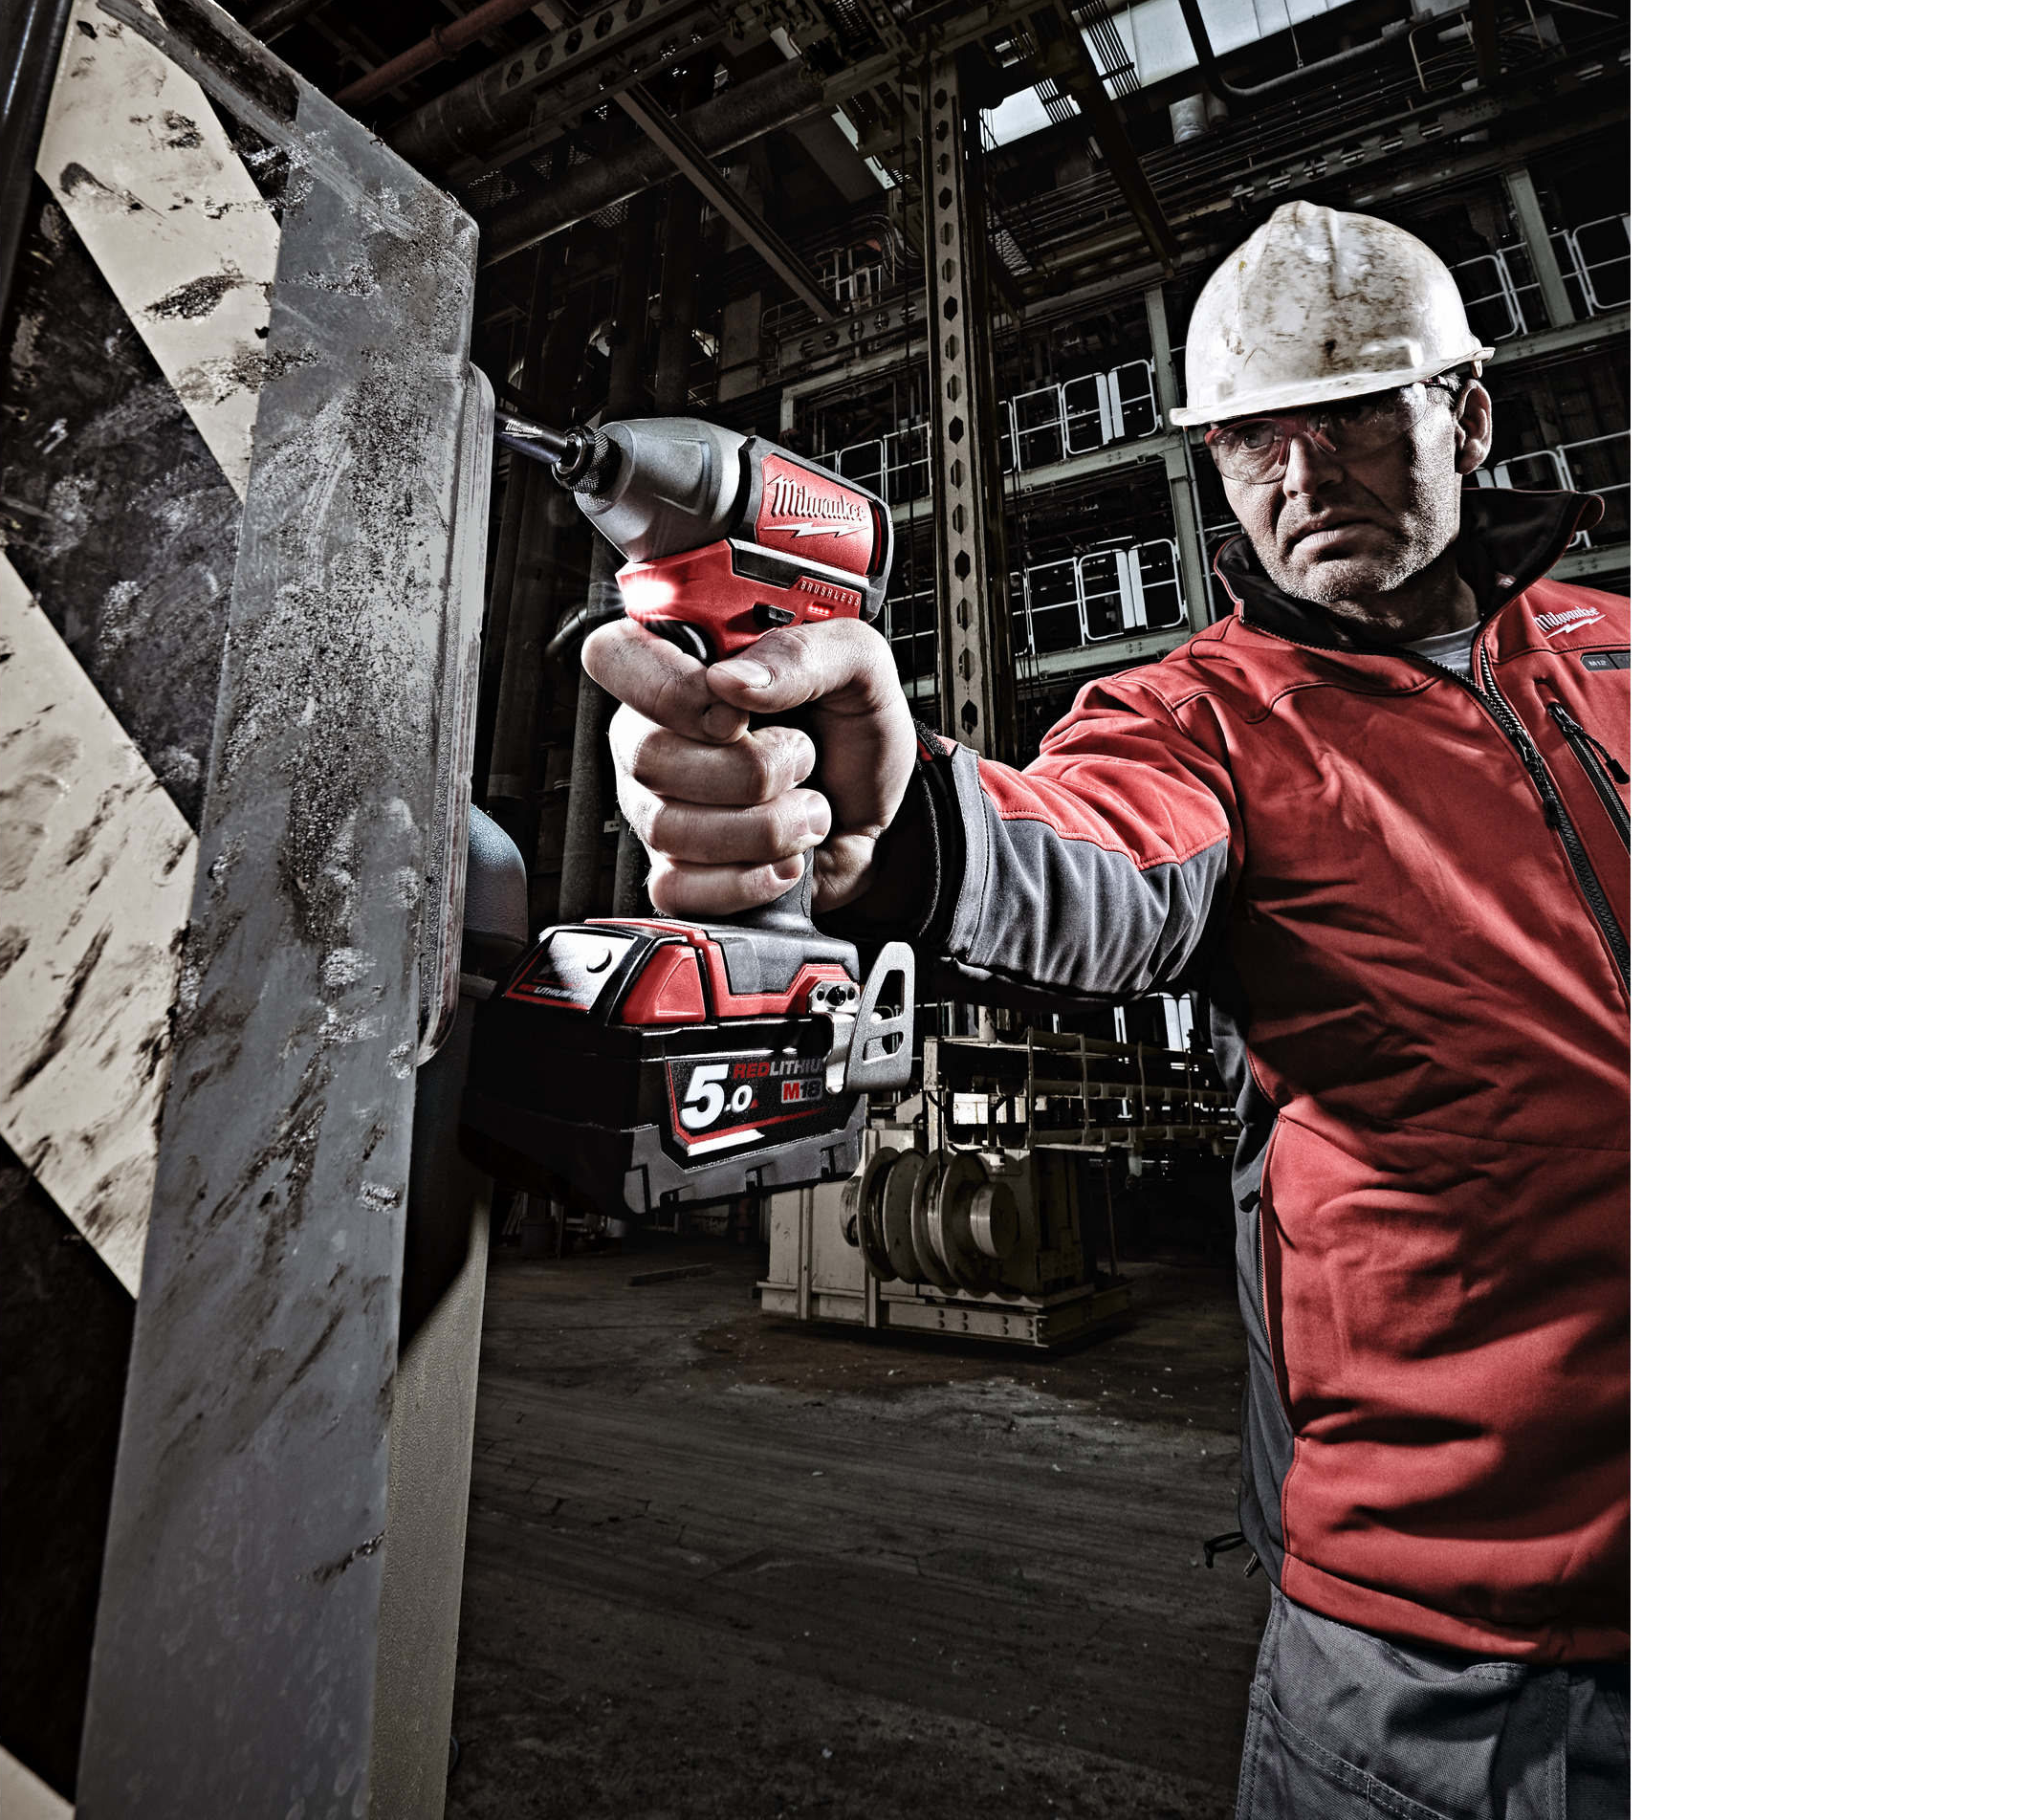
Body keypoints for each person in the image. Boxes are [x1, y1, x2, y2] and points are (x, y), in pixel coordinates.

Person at [583, 200, 1630, 1819]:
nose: (1302, 475)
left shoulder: (1631, 655)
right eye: (1254, 439)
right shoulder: (1198, 719)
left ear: (1466, 413)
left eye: (1352, 413)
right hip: (1452, 1640)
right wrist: (889, 827)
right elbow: (1090, 850)